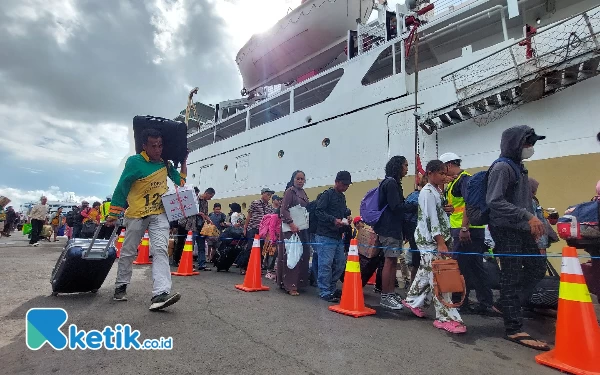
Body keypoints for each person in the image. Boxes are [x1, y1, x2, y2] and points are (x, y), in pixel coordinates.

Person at [106, 128, 186, 311]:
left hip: (159, 213)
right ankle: (121, 285)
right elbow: (122, 187)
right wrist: (113, 213)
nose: (158, 149)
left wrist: (183, 162)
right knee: (128, 252)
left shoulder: (165, 164)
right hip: (136, 214)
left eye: (160, 145)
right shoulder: (134, 162)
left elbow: (180, 182)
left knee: (160, 250)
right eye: (153, 146)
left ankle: (161, 293)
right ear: (144, 146)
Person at [486, 125, 549, 350]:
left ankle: (506, 302)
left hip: (521, 228)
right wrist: (527, 216)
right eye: (528, 143)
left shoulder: (519, 168)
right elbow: (494, 201)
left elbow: (523, 201)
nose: (531, 148)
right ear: (516, 144)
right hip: (505, 229)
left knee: (536, 268)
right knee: (510, 276)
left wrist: (532, 222)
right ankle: (514, 328)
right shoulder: (503, 168)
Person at [402, 160, 467, 334]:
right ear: (430, 173)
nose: (444, 177)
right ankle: (445, 317)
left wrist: (447, 210)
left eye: (445, 174)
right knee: (440, 278)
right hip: (431, 240)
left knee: (427, 271)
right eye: (441, 174)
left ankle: (413, 300)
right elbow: (431, 219)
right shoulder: (428, 192)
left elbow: (437, 214)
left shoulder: (437, 191)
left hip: (433, 239)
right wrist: (440, 242)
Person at [440, 152, 495, 315]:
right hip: (468, 229)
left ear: (449, 165)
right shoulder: (456, 181)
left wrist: (464, 228)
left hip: (465, 230)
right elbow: (458, 206)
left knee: (460, 266)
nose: (443, 173)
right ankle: (484, 302)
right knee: (474, 266)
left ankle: (459, 301)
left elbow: (469, 204)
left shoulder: (464, 180)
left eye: (443, 169)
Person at [373, 156, 417, 309]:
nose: (407, 168)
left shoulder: (393, 183)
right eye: (405, 165)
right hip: (389, 228)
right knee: (390, 261)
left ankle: (390, 293)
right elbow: (396, 207)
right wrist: (413, 206)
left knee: (393, 261)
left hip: (394, 228)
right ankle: (386, 295)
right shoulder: (391, 183)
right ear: (398, 166)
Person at [313, 171, 352, 302]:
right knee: (326, 264)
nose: (346, 187)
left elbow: (343, 210)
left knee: (340, 263)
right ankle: (325, 291)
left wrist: (347, 216)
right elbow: (318, 212)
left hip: (336, 235)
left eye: (347, 185)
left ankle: (331, 287)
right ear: (336, 182)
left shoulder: (342, 197)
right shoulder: (327, 194)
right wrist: (333, 220)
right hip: (325, 234)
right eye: (344, 184)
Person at [277, 170, 311, 296]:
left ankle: (298, 282)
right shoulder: (290, 192)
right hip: (290, 228)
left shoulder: (303, 193)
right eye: (298, 178)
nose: (300, 181)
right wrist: (291, 223)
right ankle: (289, 285)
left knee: (303, 254)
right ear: (293, 179)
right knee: (292, 255)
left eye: (302, 179)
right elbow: (284, 209)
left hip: (301, 228)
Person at [240, 188, 275, 275]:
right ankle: (244, 267)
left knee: (262, 249)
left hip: (264, 231)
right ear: (262, 194)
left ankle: (257, 267)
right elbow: (249, 216)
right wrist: (245, 228)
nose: (269, 196)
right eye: (267, 194)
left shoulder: (270, 207)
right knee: (250, 247)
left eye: (270, 195)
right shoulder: (255, 203)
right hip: (253, 228)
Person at [404, 175, 428, 282]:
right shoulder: (418, 197)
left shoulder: (412, 196)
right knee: (418, 261)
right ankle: (415, 286)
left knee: (417, 260)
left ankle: (414, 286)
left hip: (414, 231)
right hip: (418, 230)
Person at [195, 188, 215, 271]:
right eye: (210, 196)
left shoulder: (206, 202)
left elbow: (206, 214)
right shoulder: (195, 198)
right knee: (190, 244)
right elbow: (190, 210)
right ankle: (188, 262)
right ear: (206, 193)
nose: (210, 198)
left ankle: (202, 264)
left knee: (202, 245)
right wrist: (199, 213)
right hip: (193, 224)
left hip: (202, 226)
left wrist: (209, 220)